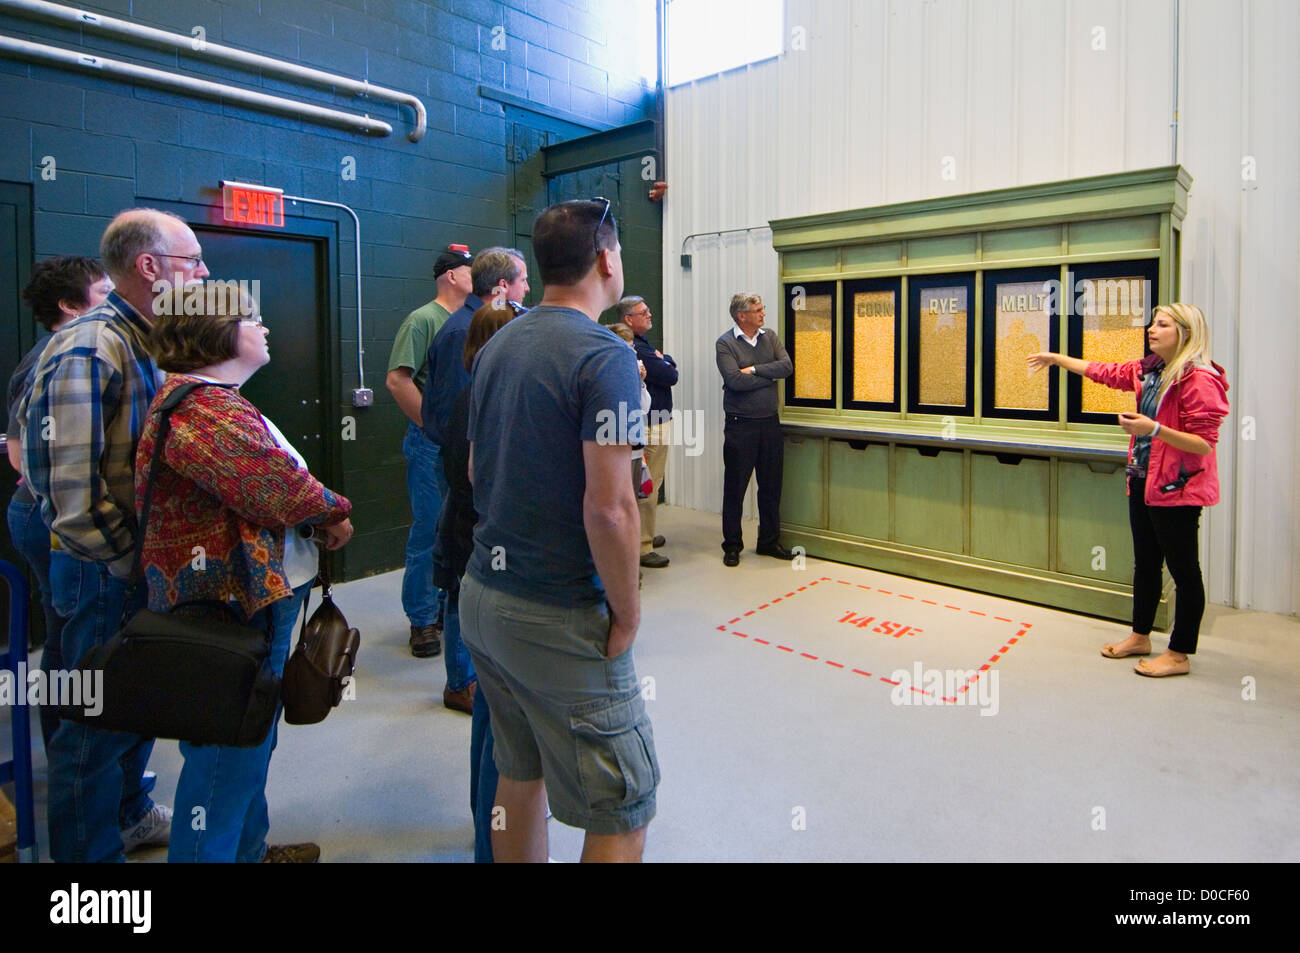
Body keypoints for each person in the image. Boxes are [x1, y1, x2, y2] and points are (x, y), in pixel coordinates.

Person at [461, 199, 659, 862]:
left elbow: (473, 466)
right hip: (559, 611)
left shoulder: (497, 343)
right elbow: (611, 508)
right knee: (623, 805)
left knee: (518, 774)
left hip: (484, 599)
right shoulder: (603, 356)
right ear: (607, 260)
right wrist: (625, 612)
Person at [137, 283, 353, 862]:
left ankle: (249, 852)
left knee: (249, 735)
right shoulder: (203, 408)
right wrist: (335, 511)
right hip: (231, 600)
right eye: (252, 319)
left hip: (243, 596)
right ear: (216, 332)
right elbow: (274, 487)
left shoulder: (209, 399)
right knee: (226, 753)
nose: (264, 328)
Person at [22, 208, 208, 862]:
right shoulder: (89, 345)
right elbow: (72, 497)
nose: (205, 273)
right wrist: (131, 564)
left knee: (131, 711)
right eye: (192, 261)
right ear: (150, 267)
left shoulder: (150, 339)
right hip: (103, 568)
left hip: (137, 565)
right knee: (89, 730)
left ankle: (128, 818)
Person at [1028, 303, 1229, 677]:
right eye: (1153, 322)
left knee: (1184, 572)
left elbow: (1203, 444)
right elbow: (1103, 372)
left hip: (1177, 489)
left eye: (1163, 324)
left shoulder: (1198, 378)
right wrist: (1056, 358)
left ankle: (1180, 653)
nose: (1152, 329)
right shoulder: (1150, 370)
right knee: (1146, 563)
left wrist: (1153, 430)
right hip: (1143, 480)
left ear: (1185, 332)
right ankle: (1140, 635)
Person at [6, 256, 112, 750]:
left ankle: (67, 742)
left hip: (42, 509)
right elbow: (19, 452)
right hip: (43, 512)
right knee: (72, 638)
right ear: (70, 306)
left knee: (64, 631)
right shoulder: (63, 354)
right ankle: (70, 746)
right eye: (105, 292)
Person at [421, 247, 529, 714]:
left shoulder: (480, 323)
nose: (528, 289)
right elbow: (451, 420)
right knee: (463, 575)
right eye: (523, 280)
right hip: (466, 482)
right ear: (502, 287)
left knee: (470, 573)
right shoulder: (467, 329)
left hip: (475, 482)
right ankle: (461, 680)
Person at [434, 300, 523, 862]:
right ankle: (495, 843)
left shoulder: (475, 393)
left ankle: (487, 832)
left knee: (493, 716)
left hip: (472, 560)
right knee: (507, 729)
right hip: (487, 566)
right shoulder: (488, 398)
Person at [386, 245, 473, 659]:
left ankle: (441, 606)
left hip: (457, 443)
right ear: (452, 275)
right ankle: (421, 619)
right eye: (470, 269)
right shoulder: (423, 320)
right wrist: (433, 427)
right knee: (427, 530)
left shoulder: (469, 321)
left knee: (451, 527)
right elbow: (398, 380)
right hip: (429, 444)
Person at [716, 293, 795, 567]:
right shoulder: (725, 343)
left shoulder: (769, 336)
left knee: (771, 486)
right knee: (735, 488)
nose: (763, 314)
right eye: (758, 310)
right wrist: (768, 377)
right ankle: (733, 545)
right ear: (742, 316)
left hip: (769, 423)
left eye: (762, 309)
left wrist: (754, 370)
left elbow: (786, 367)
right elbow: (734, 381)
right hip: (740, 425)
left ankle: (769, 542)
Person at [617, 296, 677, 568]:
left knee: (650, 482)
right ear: (629, 319)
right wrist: (665, 362)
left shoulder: (641, 344)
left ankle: (645, 534)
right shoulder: (636, 348)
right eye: (643, 312)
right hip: (650, 424)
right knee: (647, 485)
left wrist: (666, 361)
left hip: (654, 420)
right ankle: (642, 545)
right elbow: (669, 375)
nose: (650, 314)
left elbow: (666, 366)